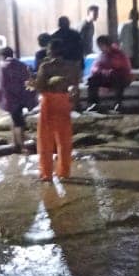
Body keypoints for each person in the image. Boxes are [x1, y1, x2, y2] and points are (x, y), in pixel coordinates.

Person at [27, 39, 80, 182]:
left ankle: (46, 173)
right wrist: (73, 103)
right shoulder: (72, 66)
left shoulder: (45, 66)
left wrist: (31, 83)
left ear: (50, 51)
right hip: (64, 102)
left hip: (49, 102)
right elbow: (75, 87)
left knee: (45, 139)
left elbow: (40, 86)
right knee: (64, 139)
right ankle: (64, 172)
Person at [0, 46, 36, 153]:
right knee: (17, 120)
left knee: (17, 122)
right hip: (21, 97)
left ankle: (20, 146)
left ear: (2, 56)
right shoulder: (22, 65)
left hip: (10, 98)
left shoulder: (2, 67)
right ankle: (16, 143)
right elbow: (29, 81)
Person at [86, 35, 134, 113]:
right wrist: (101, 71)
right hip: (107, 78)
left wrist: (107, 71)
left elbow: (119, 66)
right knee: (92, 80)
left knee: (118, 78)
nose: (100, 48)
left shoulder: (118, 53)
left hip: (121, 77)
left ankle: (118, 103)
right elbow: (95, 67)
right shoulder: (102, 55)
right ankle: (94, 103)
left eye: (101, 45)